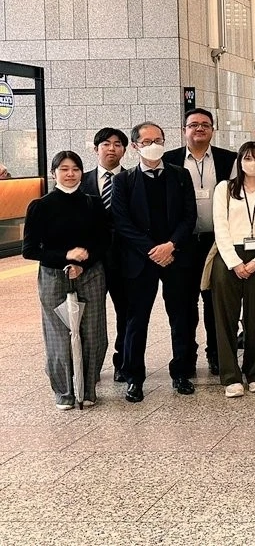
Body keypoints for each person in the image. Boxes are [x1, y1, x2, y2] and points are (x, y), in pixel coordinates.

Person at [111, 122, 198, 402]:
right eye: (147, 141)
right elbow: (122, 222)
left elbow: (189, 216)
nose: (154, 145)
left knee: (181, 317)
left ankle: (181, 372)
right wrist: (152, 249)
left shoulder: (180, 175)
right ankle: (134, 378)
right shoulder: (123, 181)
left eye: (158, 140)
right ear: (135, 146)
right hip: (141, 259)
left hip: (175, 256)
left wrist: (171, 245)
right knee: (136, 320)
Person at [23, 151, 109, 409]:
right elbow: (30, 250)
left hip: (90, 272)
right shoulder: (40, 206)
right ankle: (64, 392)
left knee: (93, 332)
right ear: (53, 173)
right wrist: (66, 257)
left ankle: (88, 388)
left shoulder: (94, 204)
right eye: (64, 169)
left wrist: (84, 262)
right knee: (58, 335)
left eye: (75, 169)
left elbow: (104, 242)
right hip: (53, 274)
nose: (70, 174)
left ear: (82, 172)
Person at [164, 107, 237, 376]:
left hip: (216, 243)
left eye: (205, 124)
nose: (199, 128)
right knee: (182, 306)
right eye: (193, 124)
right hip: (180, 245)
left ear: (213, 130)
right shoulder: (168, 160)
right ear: (183, 130)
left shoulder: (228, 159)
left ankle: (217, 355)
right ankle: (184, 361)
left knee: (216, 303)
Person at [210, 141, 255, 398]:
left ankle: (254, 372)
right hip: (228, 256)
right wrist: (234, 261)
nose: (253, 163)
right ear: (239, 161)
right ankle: (230, 376)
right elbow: (220, 226)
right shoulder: (225, 189)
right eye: (247, 158)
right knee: (225, 318)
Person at [81, 127, 130, 382]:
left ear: (125, 149)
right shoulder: (81, 181)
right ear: (95, 148)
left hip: (125, 259)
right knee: (91, 316)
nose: (112, 148)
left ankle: (123, 362)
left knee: (126, 314)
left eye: (118, 144)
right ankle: (91, 366)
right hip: (91, 261)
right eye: (106, 144)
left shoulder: (133, 179)